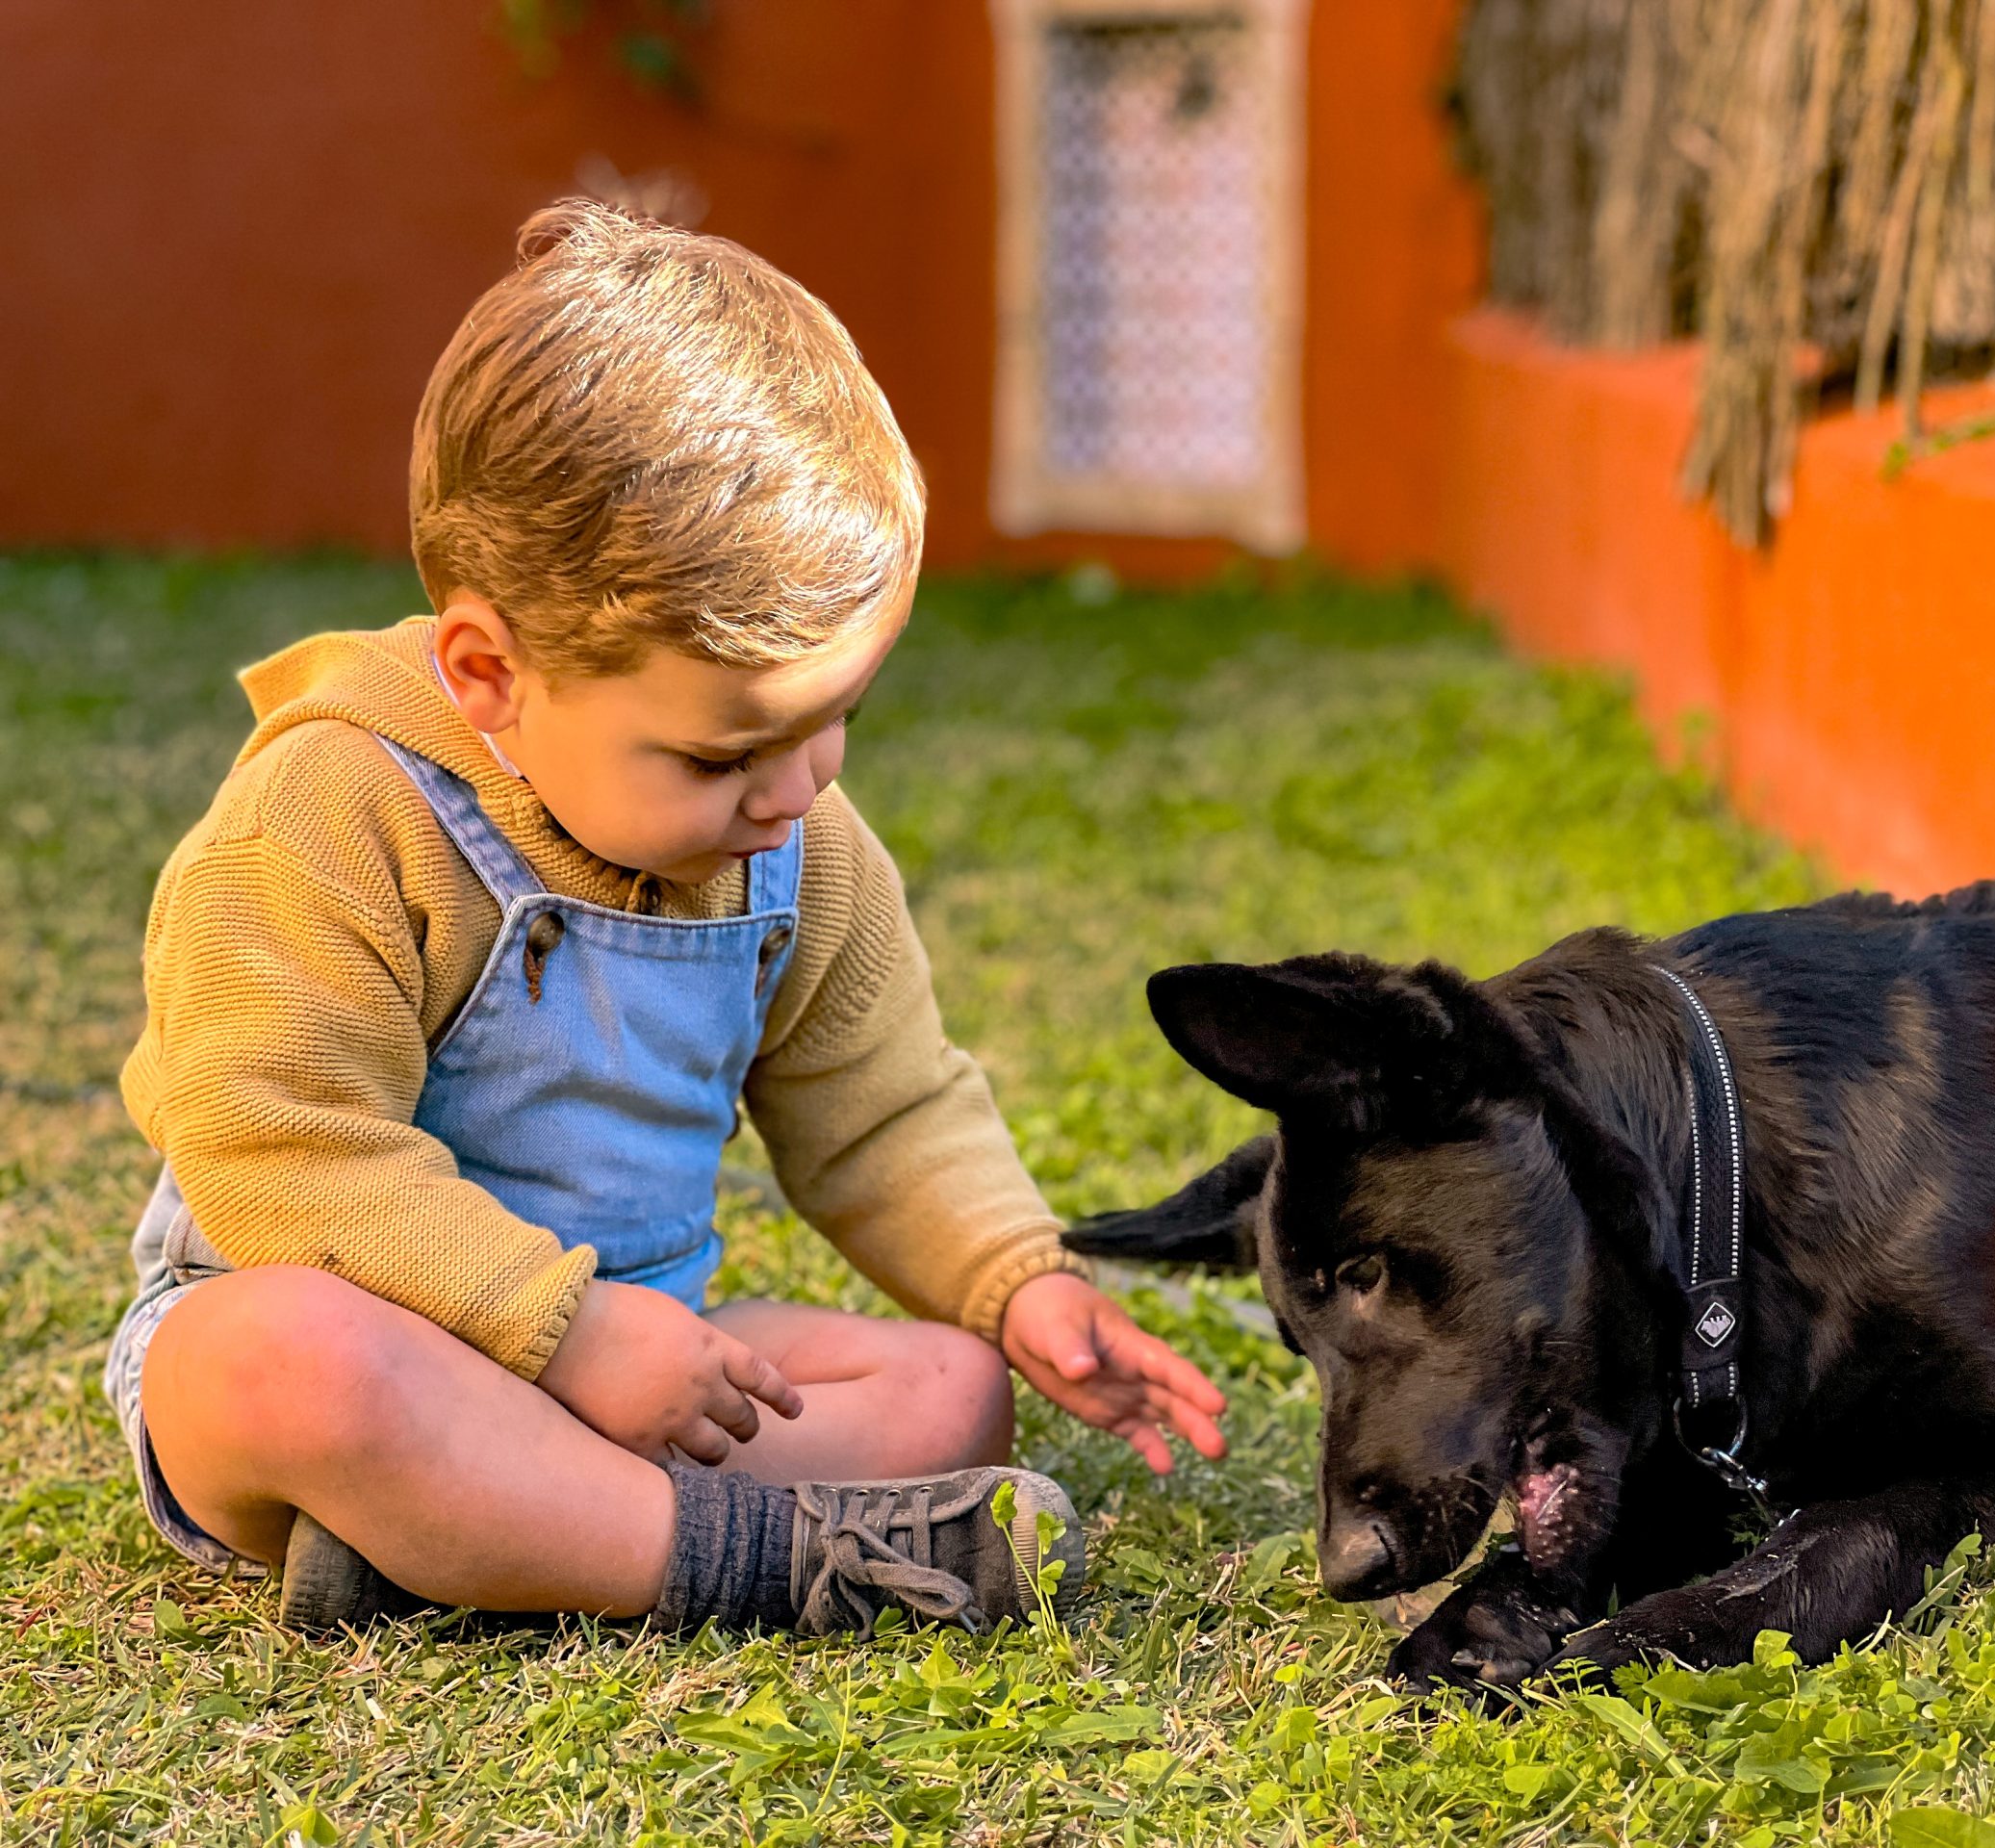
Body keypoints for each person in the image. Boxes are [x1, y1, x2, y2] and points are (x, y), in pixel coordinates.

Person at [104, 200, 1227, 1638]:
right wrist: (563, 1330)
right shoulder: (330, 814)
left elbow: (883, 1107)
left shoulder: (800, 848)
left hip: (645, 1353)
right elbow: (283, 1150)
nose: (797, 788)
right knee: (296, 1360)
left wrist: (1015, 1282)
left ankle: (471, 1546)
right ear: (489, 673)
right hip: (361, 1331)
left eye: (832, 722)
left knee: (952, 1390)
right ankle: (739, 1562)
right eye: (721, 755)